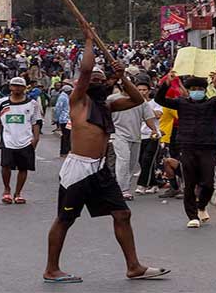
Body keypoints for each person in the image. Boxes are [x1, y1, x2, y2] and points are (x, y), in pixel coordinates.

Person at [44, 21, 169, 283]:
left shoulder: (108, 105)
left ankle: (134, 266)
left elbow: (137, 100)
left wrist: (122, 76)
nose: (98, 81)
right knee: (65, 219)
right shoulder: (78, 101)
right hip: (78, 171)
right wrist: (89, 39)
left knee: (123, 214)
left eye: (102, 79)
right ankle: (51, 269)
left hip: (100, 169)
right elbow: (85, 70)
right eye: (94, 80)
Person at [155, 72, 216, 227]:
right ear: (189, 90)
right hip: (187, 146)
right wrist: (167, 84)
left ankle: (201, 206)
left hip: (208, 147)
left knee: (208, 183)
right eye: (193, 89)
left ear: (204, 90)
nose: (196, 91)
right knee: (189, 183)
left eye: (199, 89)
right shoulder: (181, 103)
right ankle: (192, 216)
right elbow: (160, 99)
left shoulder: (213, 103)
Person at [0, 77, 42, 199]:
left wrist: (36, 138)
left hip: (26, 141)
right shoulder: (1, 103)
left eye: (20, 86)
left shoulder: (32, 104)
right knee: (5, 166)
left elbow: (36, 122)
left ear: (25, 88)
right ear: (10, 87)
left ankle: (18, 193)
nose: (17, 88)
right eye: (14, 86)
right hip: (7, 139)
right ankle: (7, 189)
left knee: (23, 168)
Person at [109, 79, 158, 200]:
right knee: (123, 160)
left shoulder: (140, 101)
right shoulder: (112, 99)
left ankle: (125, 187)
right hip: (118, 135)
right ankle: (122, 189)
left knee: (132, 163)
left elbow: (148, 117)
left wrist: (154, 130)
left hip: (136, 136)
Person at [54, 84, 72, 157]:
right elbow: (58, 108)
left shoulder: (66, 97)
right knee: (66, 135)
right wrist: (56, 118)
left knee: (68, 135)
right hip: (64, 119)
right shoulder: (62, 97)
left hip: (68, 119)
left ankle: (67, 150)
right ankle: (64, 151)